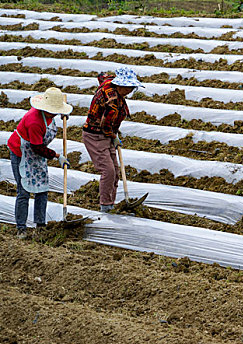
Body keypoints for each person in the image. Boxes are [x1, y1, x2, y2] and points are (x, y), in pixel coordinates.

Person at [6, 87, 73, 238]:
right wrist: (57, 155)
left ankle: (40, 225)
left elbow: (39, 147)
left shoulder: (48, 114)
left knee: (42, 188)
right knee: (23, 190)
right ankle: (21, 228)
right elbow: (37, 148)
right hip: (21, 153)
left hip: (36, 153)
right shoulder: (35, 121)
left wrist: (62, 114)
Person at [82, 67, 143, 213]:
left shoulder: (109, 82)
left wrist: (113, 135)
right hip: (95, 135)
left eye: (132, 87)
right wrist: (114, 136)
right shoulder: (113, 104)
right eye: (128, 87)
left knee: (116, 170)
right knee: (108, 171)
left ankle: (111, 203)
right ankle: (106, 206)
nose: (130, 90)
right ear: (120, 85)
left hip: (106, 135)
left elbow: (102, 76)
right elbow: (105, 125)